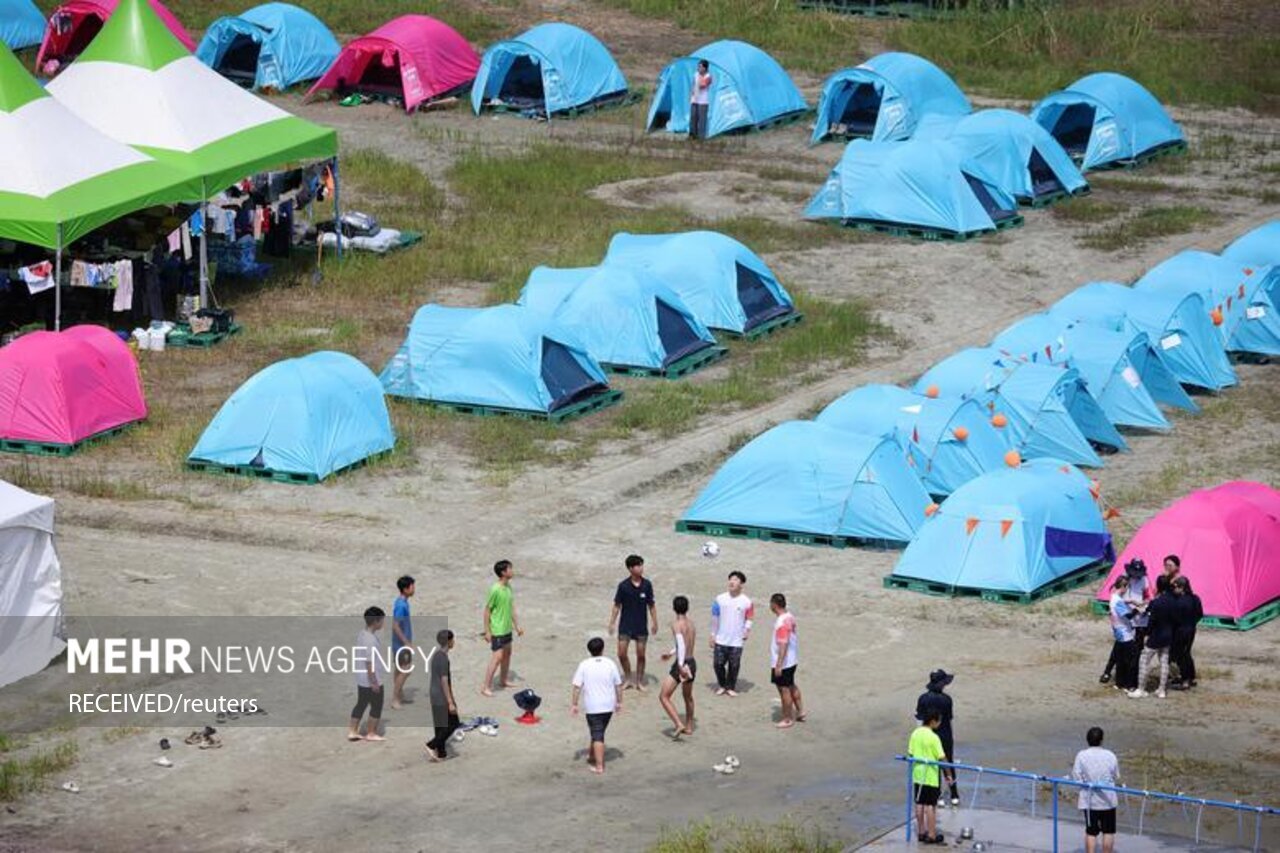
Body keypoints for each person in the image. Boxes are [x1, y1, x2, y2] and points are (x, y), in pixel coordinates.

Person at [571, 637, 624, 775]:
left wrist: (574, 704)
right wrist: (619, 702)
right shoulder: (610, 663)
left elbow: (577, 687)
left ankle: (599, 766)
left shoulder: (584, 664)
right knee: (597, 731)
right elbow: (618, 685)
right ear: (602, 648)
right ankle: (592, 755)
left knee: (598, 734)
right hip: (608, 706)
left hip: (593, 706)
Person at [608, 554, 658, 691]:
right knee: (621, 653)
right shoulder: (623, 586)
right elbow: (617, 605)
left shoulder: (647, 585)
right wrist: (612, 623)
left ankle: (639, 681)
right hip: (625, 625)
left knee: (641, 655)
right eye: (638, 565)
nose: (641, 568)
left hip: (641, 625)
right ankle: (628, 678)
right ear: (630, 568)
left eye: (642, 565)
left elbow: (651, 605)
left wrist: (655, 622)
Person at [1071, 726, 1121, 853]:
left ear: (1087, 740)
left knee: (1091, 832)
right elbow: (1116, 775)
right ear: (1101, 740)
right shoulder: (1110, 755)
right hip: (1107, 800)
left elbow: (1076, 776)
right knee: (1108, 831)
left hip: (1089, 801)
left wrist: (1086, 782)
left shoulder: (1081, 755)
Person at [1102, 559, 1152, 683]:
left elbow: (1148, 596)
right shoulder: (1123, 580)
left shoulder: (1144, 580)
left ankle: (1131, 676)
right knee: (1118, 647)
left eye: (1138, 574)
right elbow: (1114, 594)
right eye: (1134, 573)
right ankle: (1108, 671)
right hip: (1124, 617)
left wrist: (1143, 604)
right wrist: (1128, 604)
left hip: (1139, 620)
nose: (1136, 576)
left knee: (1136, 650)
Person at [914, 669, 960, 806]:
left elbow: (919, 719)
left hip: (928, 735)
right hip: (945, 734)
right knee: (948, 763)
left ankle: (938, 795)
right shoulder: (947, 700)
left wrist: (919, 735)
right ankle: (954, 794)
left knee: (933, 765)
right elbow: (949, 719)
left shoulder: (922, 698)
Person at [481, 560, 523, 696]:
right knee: (497, 657)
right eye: (510, 569)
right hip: (497, 629)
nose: (512, 571)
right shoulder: (495, 589)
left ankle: (503, 680)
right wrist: (487, 631)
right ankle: (485, 686)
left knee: (507, 654)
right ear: (503, 572)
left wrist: (517, 626)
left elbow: (511, 607)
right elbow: (487, 610)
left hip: (507, 628)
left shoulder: (508, 587)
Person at [1130, 574, 1175, 698]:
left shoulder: (1156, 602)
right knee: (1164, 662)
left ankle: (1141, 689)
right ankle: (1161, 690)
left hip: (1156, 636)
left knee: (1144, 660)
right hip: (1168, 635)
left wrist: (1147, 634)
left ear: (1158, 586)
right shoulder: (1173, 601)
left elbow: (1151, 621)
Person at [710, 570, 754, 696]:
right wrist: (713, 635)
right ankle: (722, 684)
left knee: (734, 666)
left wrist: (746, 630)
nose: (732, 582)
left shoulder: (747, 601)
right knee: (717, 664)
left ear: (741, 584)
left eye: (735, 580)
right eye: (731, 579)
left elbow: (750, 617)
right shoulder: (720, 599)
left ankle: (730, 687)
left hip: (737, 640)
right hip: (721, 638)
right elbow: (715, 618)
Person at [659, 596, 696, 738]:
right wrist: (670, 653)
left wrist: (679, 665)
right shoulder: (691, 624)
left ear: (674, 608)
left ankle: (678, 723)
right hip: (692, 662)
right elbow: (686, 645)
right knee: (688, 697)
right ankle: (689, 726)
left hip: (682, 664)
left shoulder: (676, 624)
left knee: (664, 696)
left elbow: (681, 645)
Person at [348, 606, 386, 742]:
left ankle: (353, 731)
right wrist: (374, 682)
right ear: (375, 622)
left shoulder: (362, 634)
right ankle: (371, 732)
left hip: (361, 678)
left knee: (361, 703)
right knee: (377, 705)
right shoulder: (370, 640)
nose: (383, 623)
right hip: (371, 678)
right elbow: (370, 663)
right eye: (382, 620)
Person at [908, 711, 946, 846]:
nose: (940, 723)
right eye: (939, 721)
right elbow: (942, 758)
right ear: (933, 721)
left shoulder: (915, 733)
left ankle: (921, 832)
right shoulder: (934, 737)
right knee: (930, 805)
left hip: (918, 774)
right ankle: (931, 834)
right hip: (930, 775)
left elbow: (910, 753)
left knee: (919, 803)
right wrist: (948, 774)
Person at [769, 593, 804, 729]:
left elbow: (783, 644)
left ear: (774, 605)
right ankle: (800, 711)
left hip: (784, 662)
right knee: (791, 685)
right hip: (792, 660)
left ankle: (787, 718)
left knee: (784, 690)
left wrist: (778, 664)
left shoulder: (781, 623)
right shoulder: (790, 617)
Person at [425, 629, 459, 761]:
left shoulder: (436, 655)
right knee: (453, 723)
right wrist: (450, 702)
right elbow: (444, 680)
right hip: (441, 695)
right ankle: (431, 745)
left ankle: (441, 753)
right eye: (453, 639)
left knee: (439, 725)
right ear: (449, 641)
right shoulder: (444, 659)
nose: (454, 642)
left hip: (434, 693)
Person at [1103, 575, 1139, 691]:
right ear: (1123, 587)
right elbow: (1128, 616)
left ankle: (1119, 683)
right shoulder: (1118, 601)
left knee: (1120, 659)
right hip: (1125, 634)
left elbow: (1119, 602)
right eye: (1127, 587)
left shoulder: (1113, 597)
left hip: (1118, 633)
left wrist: (1129, 601)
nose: (1127, 590)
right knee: (1130, 660)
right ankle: (1129, 685)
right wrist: (1138, 610)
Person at [1170, 575, 1203, 690]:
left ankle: (1185, 680)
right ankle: (1191, 677)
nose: (1174, 590)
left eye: (1175, 587)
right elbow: (1200, 614)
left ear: (1182, 587)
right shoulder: (1195, 598)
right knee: (1187, 653)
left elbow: (1174, 618)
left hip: (1180, 631)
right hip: (1191, 629)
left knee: (1181, 655)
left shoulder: (1178, 601)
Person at [391, 575, 415, 710]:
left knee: (400, 669)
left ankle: (399, 694)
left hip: (399, 642)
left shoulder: (402, 602)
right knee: (406, 670)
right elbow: (395, 625)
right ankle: (395, 698)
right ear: (406, 589)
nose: (414, 589)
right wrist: (406, 642)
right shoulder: (401, 605)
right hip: (401, 643)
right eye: (412, 586)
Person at [689, 59, 712, 140]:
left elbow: (702, 85)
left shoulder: (708, 76)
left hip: (703, 101)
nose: (698, 68)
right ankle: (692, 135)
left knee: (702, 119)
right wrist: (692, 91)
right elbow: (693, 84)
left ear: (705, 68)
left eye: (700, 67)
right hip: (694, 99)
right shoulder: (695, 74)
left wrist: (699, 77)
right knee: (693, 117)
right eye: (698, 66)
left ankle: (701, 137)